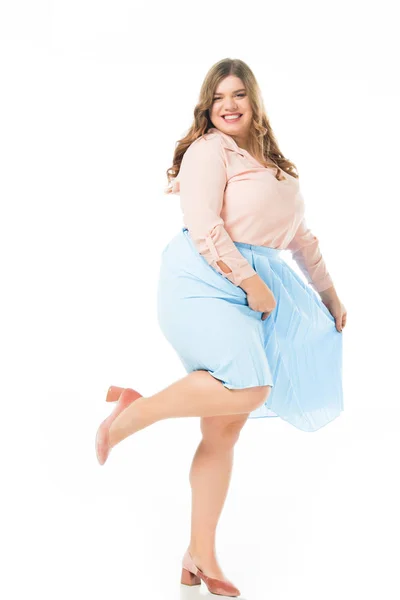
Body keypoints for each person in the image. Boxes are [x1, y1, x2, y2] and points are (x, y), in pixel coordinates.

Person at [95, 58, 347, 598]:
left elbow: (302, 239)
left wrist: (329, 295)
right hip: (203, 278)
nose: (228, 105)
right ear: (208, 108)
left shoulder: (276, 165)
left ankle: (198, 555)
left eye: (238, 95)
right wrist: (251, 282)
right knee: (250, 388)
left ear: (254, 102)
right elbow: (204, 225)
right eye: (218, 98)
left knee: (225, 426)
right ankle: (130, 414)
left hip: (253, 284)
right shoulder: (208, 150)